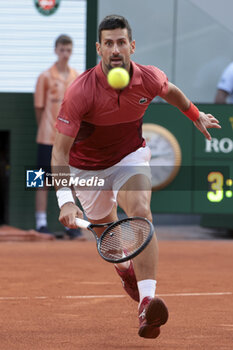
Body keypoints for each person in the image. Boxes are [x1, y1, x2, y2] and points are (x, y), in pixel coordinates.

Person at [51, 15, 221, 338]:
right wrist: (65, 200)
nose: (115, 49)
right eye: (109, 43)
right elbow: (59, 152)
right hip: (87, 169)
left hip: (129, 156)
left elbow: (170, 91)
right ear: (99, 48)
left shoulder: (148, 78)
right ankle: (125, 270)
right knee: (112, 243)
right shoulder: (80, 92)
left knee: (140, 211)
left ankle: (146, 302)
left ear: (132, 46)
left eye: (121, 42)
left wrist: (195, 115)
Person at [34, 34, 84, 239]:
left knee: (70, 180)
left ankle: (71, 226)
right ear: (56, 50)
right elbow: (39, 108)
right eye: (62, 50)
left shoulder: (76, 77)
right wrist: (46, 128)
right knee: (40, 181)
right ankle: (41, 223)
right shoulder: (45, 77)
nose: (65, 54)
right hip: (46, 138)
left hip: (69, 140)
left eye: (68, 50)